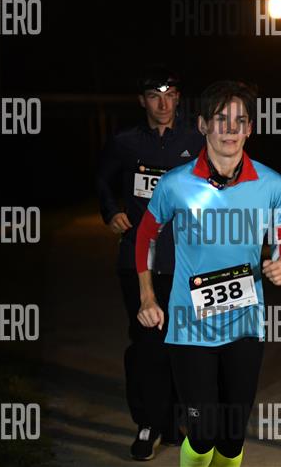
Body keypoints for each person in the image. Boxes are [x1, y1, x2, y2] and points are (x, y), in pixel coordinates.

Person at [134, 80, 281, 467]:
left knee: (232, 437)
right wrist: (147, 296)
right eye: (221, 119)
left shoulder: (271, 184)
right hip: (190, 326)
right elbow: (145, 236)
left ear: (250, 128)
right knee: (203, 433)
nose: (230, 129)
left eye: (240, 121)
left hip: (245, 323)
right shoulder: (175, 183)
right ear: (203, 125)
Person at [96, 67, 205, 460]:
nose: (163, 103)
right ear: (142, 100)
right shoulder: (125, 142)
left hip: (184, 259)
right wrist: (111, 211)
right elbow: (102, 180)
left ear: (178, 99)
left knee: (180, 343)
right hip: (137, 257)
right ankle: (148, 423)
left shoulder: (196, 140)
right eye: (155, 96)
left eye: (170, 95)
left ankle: (175, 421)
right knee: (146, 343)